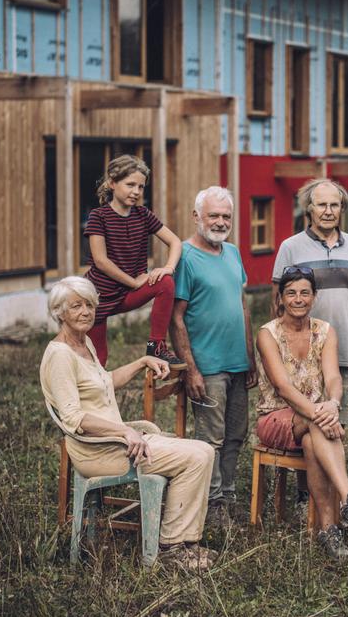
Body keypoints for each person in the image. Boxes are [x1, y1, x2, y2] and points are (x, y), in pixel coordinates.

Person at [39, 276, 215, 571]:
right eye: (76, 306)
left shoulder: (85, 346)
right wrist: (124, 431)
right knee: (197, 455)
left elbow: (105, 382)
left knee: (202, 450)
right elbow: (74, 418)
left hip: (118, 442)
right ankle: (173, 548)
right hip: (98, 451)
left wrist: (141, 362)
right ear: (59, 313)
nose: (85, 312)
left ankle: (183, 542)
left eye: (90, 305)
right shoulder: (59, 355)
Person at [257, 267, 348, 562]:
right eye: (291, 293)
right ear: (281, 298)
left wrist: (333, 405)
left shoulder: (324, 331)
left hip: (314, 420)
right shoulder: (268, 333)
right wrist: (321, 413)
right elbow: (283, 388)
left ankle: (328, 530)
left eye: (304, 293)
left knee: (315, 439)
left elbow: (334, 378)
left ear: (314, 297)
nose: (298, 299)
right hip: (274, 418)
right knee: (319, 425)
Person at [170, 186, 257, 526]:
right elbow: (176, 318)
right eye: (213, 216)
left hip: (237, 362)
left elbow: (242, 306)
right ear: (197, 217)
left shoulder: (233, 253)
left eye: (226, 216)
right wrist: (190, 369)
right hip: (207, 366)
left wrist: (250, 357)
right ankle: (212, 504)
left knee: (236, 434)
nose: (220, 222)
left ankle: (229, 495)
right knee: (211, 440)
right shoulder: (187, 258)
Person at [272, 179, 348, 427]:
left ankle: (332, 465)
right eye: (322, 205)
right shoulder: (291, 247)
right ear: (309, 208)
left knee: (338, 424)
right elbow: (277, 303)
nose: (328, 211)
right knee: (304, 423)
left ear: (342, 209)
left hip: (346, 352)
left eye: (335, 205)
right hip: (303, 356)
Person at [84, 154, 184, 368]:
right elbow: (101, 261)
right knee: (98, 360)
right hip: (98, 298)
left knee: (165, 282)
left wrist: (168, 268)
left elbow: (175, 242)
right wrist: (134, 281)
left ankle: (156, 346)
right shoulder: (98, 217)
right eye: (130, 185)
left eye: (141, 187)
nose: (136, 192)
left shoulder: (143, 215)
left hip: (128, 294)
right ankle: (91, 399)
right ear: (112, 183)